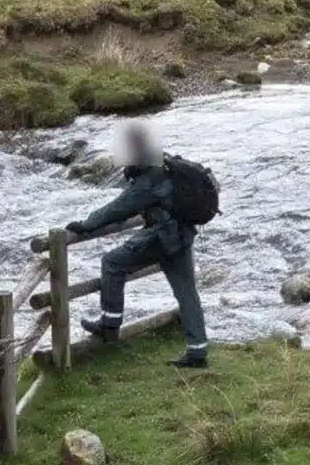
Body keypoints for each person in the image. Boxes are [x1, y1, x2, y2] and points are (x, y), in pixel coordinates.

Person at [66, 124, 210, 369]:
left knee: (112, 262)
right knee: (186, 292)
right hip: (183, 234)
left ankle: (109, 324)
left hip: (163, 237)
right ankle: (197, 351)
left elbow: (119, 208)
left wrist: (86, 224)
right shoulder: (165, 163)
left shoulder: (147, 177)